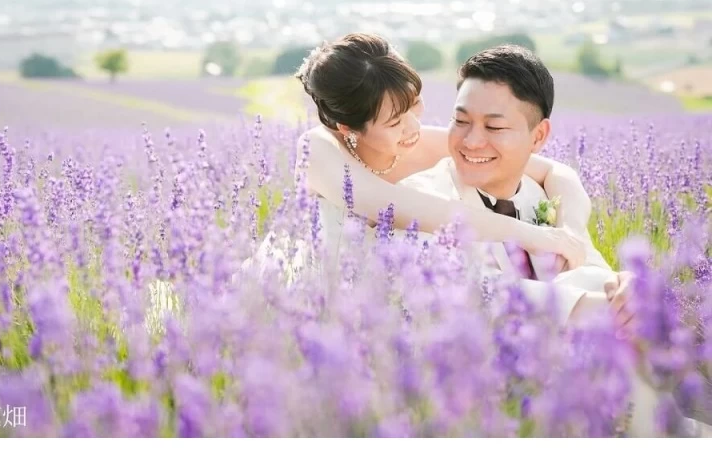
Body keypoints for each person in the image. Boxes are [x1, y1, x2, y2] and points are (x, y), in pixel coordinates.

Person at [397, 44, 709, 437]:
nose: (471, 141)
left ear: (538, 136)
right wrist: (595, 309)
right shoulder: (420, 203)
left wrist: (625, 289)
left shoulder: (540, 196)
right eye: (460, 122)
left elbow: (587, 263)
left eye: (493, 127)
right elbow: (468, 295)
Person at [295, 33, 591, 318]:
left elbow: (555, 171)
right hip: (334, 304)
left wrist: (570, 234)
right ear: (348, 128)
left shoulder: (422, 141)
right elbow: (396, 207)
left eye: (414, 104)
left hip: (421, 297)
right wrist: (537, 237)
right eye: (395, 121)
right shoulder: (318, 150)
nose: (413, 127)